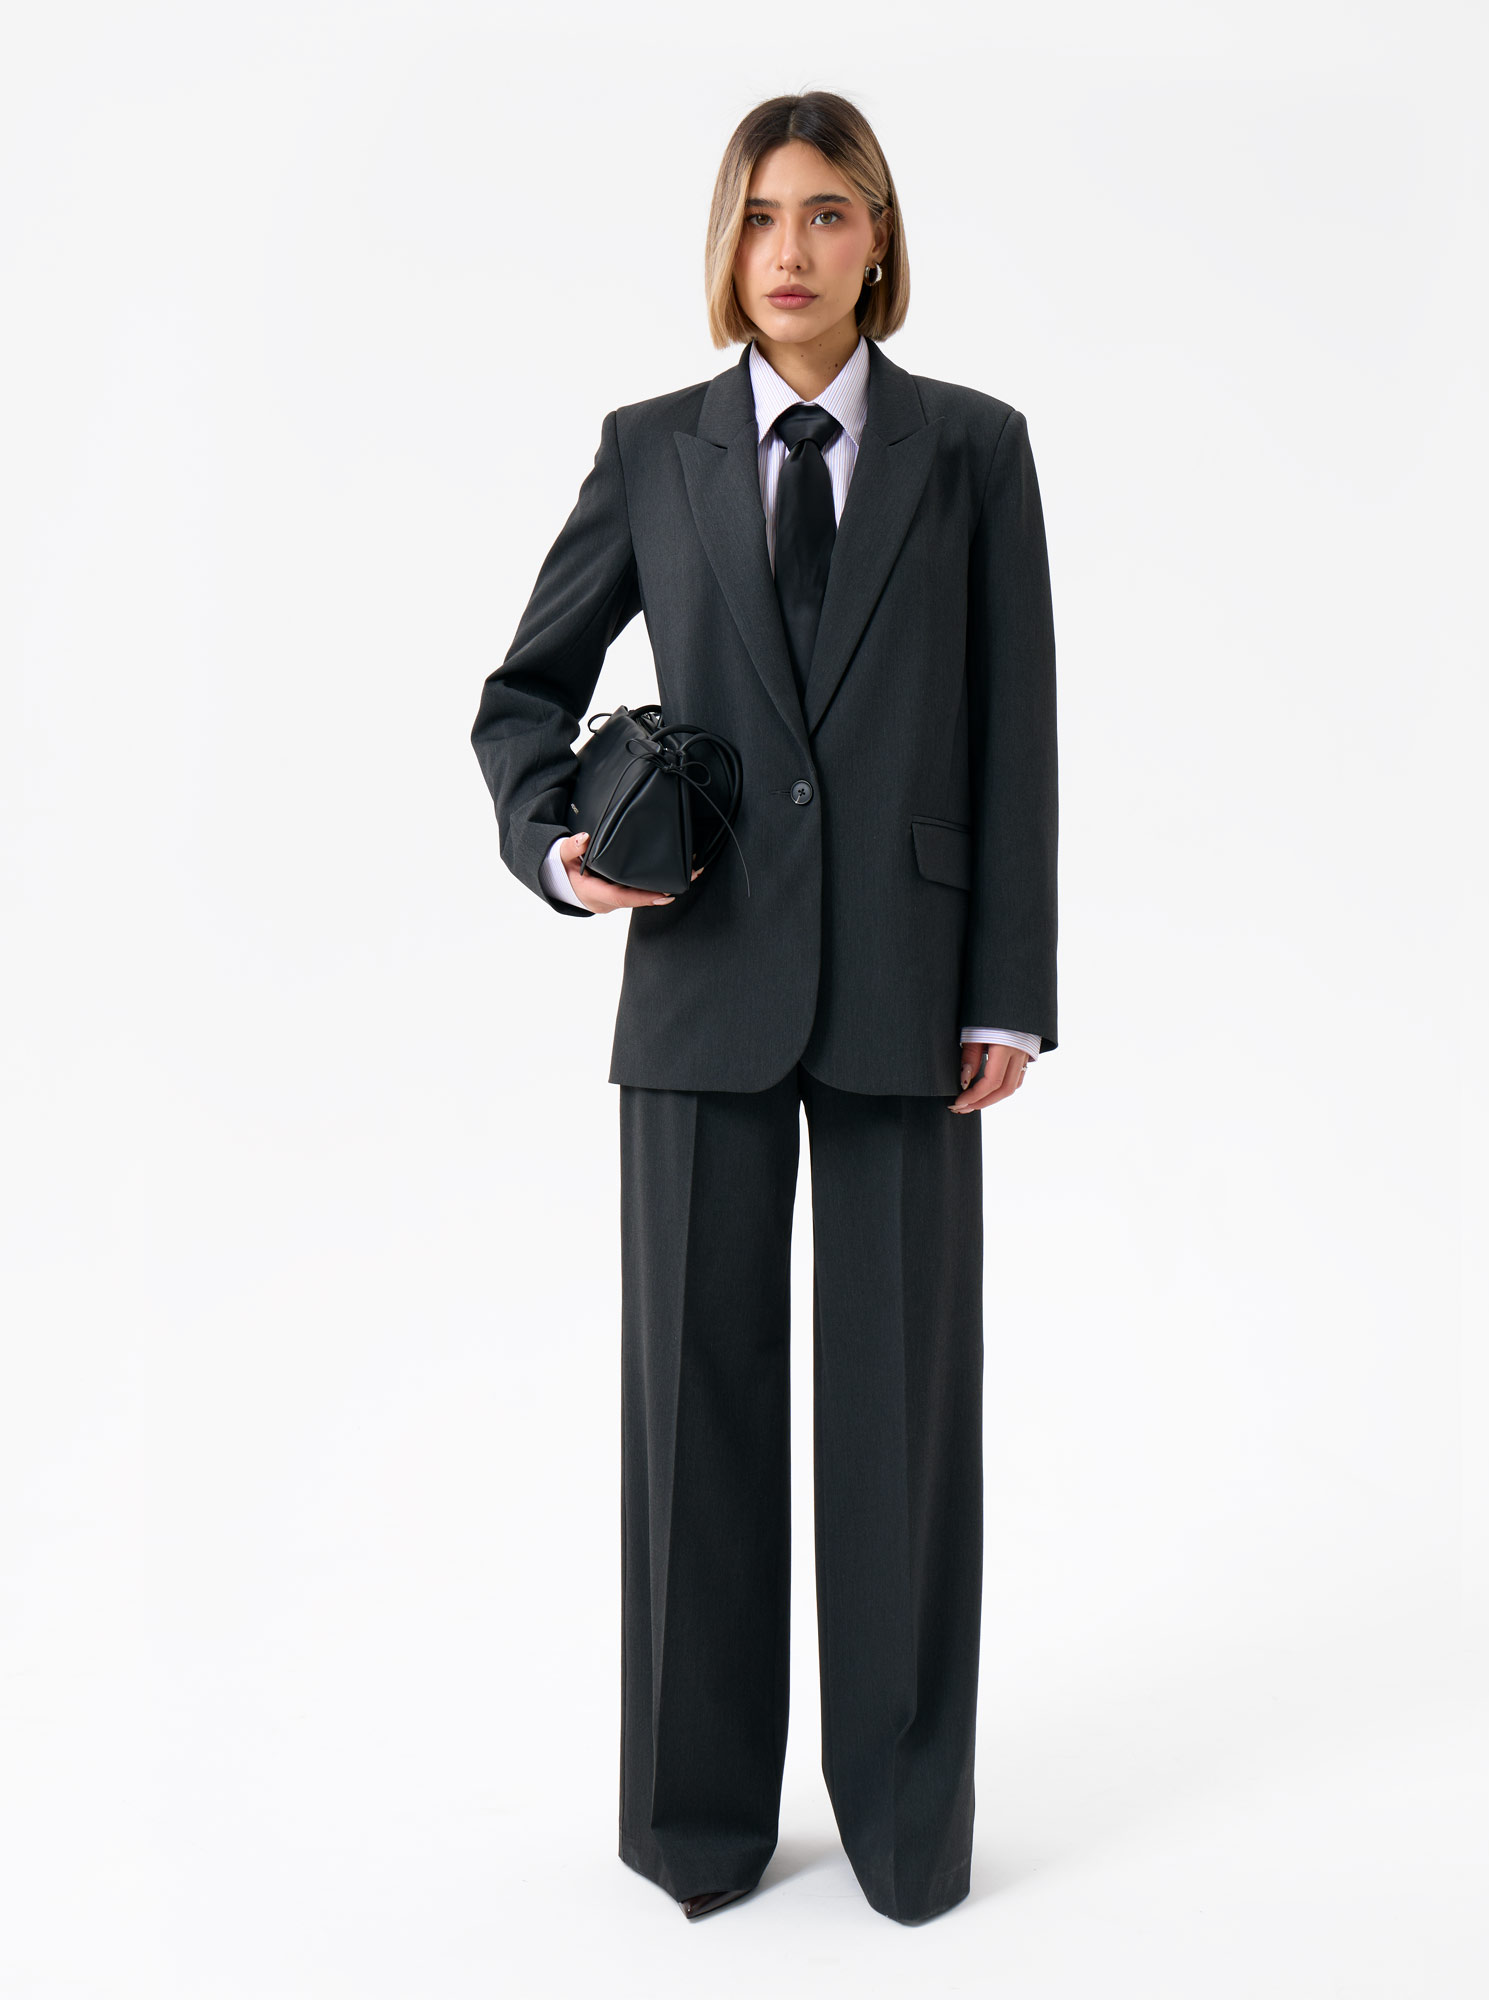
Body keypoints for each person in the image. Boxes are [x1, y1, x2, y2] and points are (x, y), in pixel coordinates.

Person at [470, 89, 1058, 1926]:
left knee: (903, 1428)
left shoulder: (974, 449)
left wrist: (1010, 990)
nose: (788, 250)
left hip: (911, 993)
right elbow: (524, 694)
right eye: (757, 216)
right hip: (702, 983)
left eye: (824, 213)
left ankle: (905, 1828)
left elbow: (1016, 727)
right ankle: (697, 1826)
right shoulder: (652, 449)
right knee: (693, 1419)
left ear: (879, 239)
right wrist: (564, 846)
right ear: (725, 245)